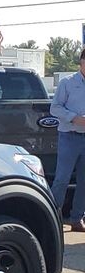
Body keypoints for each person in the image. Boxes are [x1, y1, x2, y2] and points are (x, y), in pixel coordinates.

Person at [49, 48, 85, 232]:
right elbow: (54, 108)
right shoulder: (67, 83)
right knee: (62, 179)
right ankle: (52, 219)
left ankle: (77, 218)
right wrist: (74, 118)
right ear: (81, 62)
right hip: (69, 136)